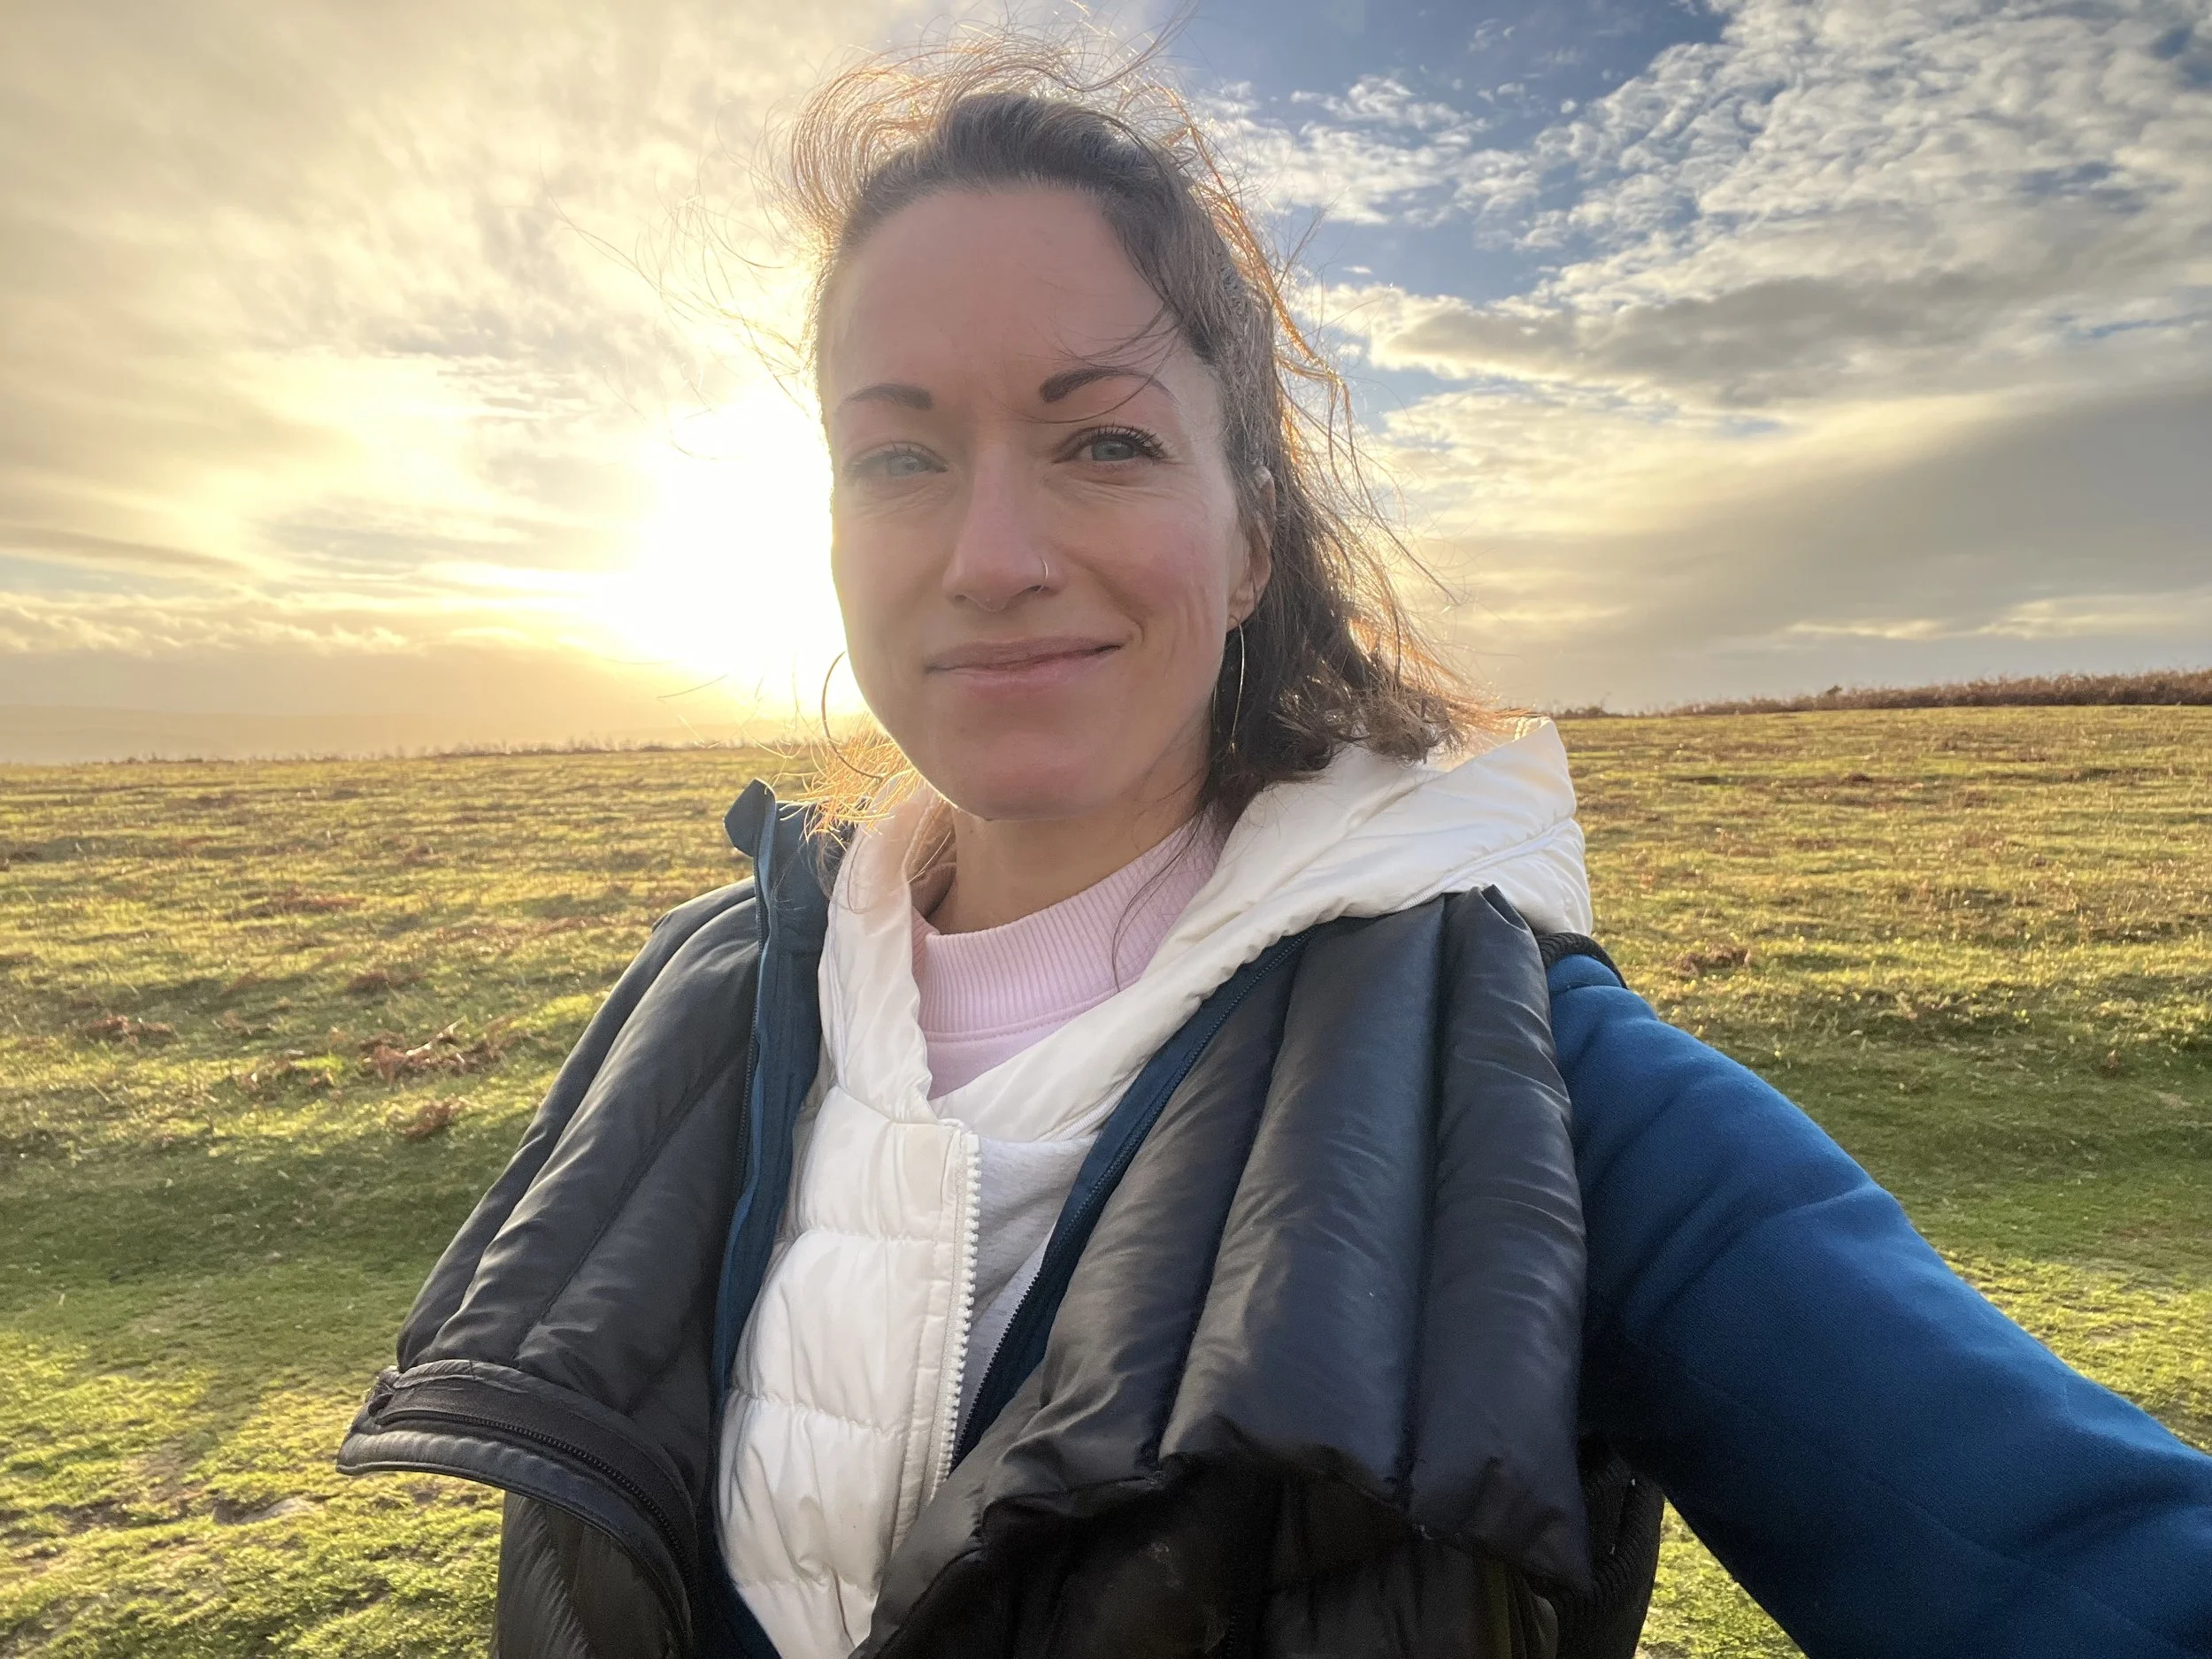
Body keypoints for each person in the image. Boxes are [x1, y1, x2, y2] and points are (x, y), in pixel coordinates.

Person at [337, 37, 2212, 1659]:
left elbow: (2066, 1553)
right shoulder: (708, 1003)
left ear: (1248, 540)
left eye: (1103, 444)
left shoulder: (1514, 1091)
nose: (989, 552)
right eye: (897, 455)